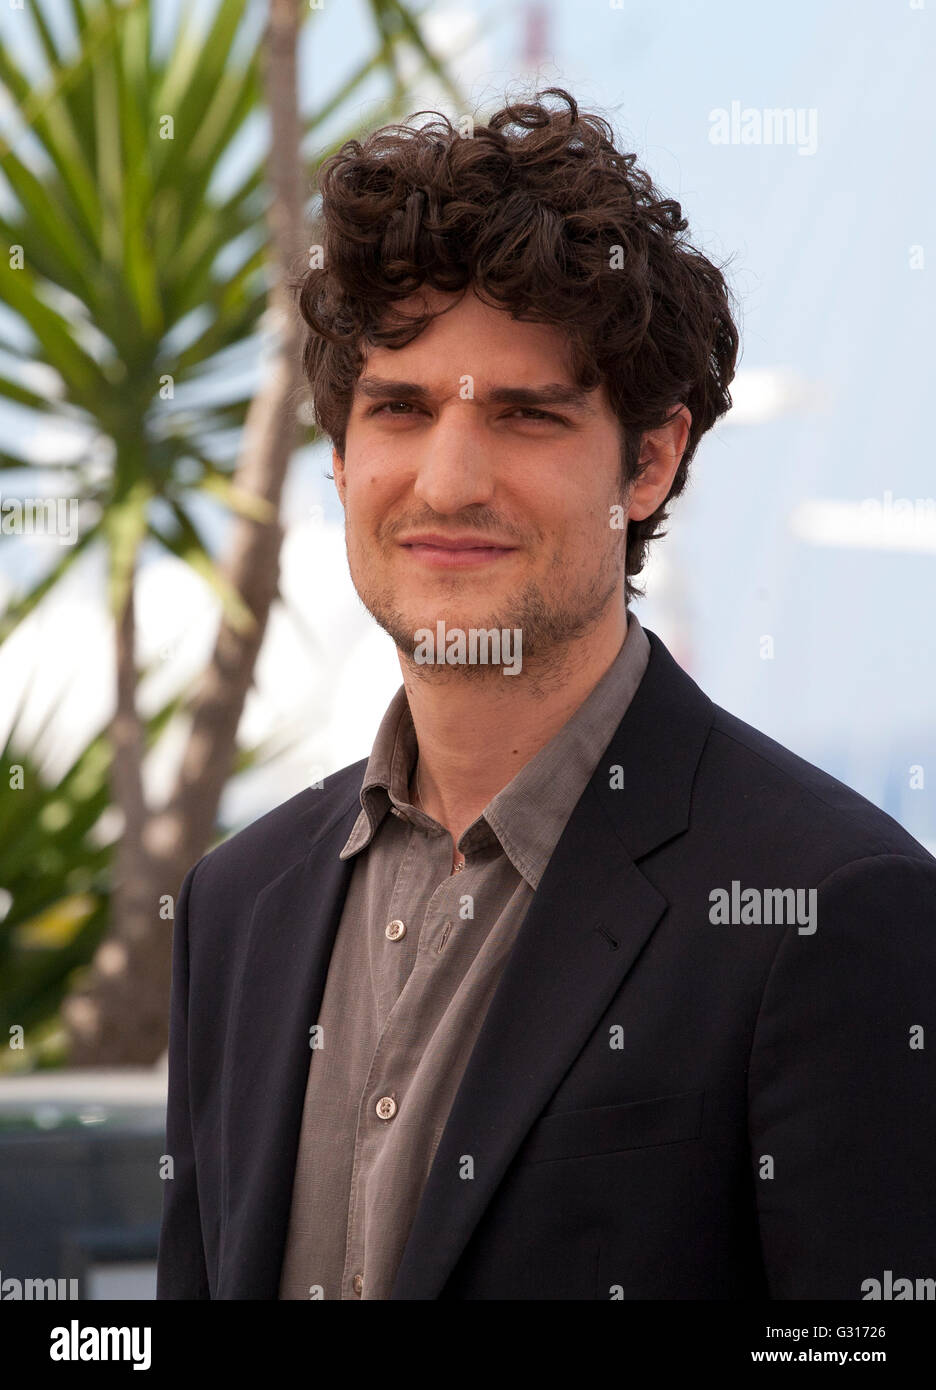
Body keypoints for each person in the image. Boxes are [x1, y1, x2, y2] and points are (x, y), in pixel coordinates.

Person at [156, 88, 936, 1300]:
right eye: (400, 409)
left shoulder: (831, 908)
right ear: (340, 451)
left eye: (525, 416)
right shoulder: (236, 906)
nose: (449, 480)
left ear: (651, 458)